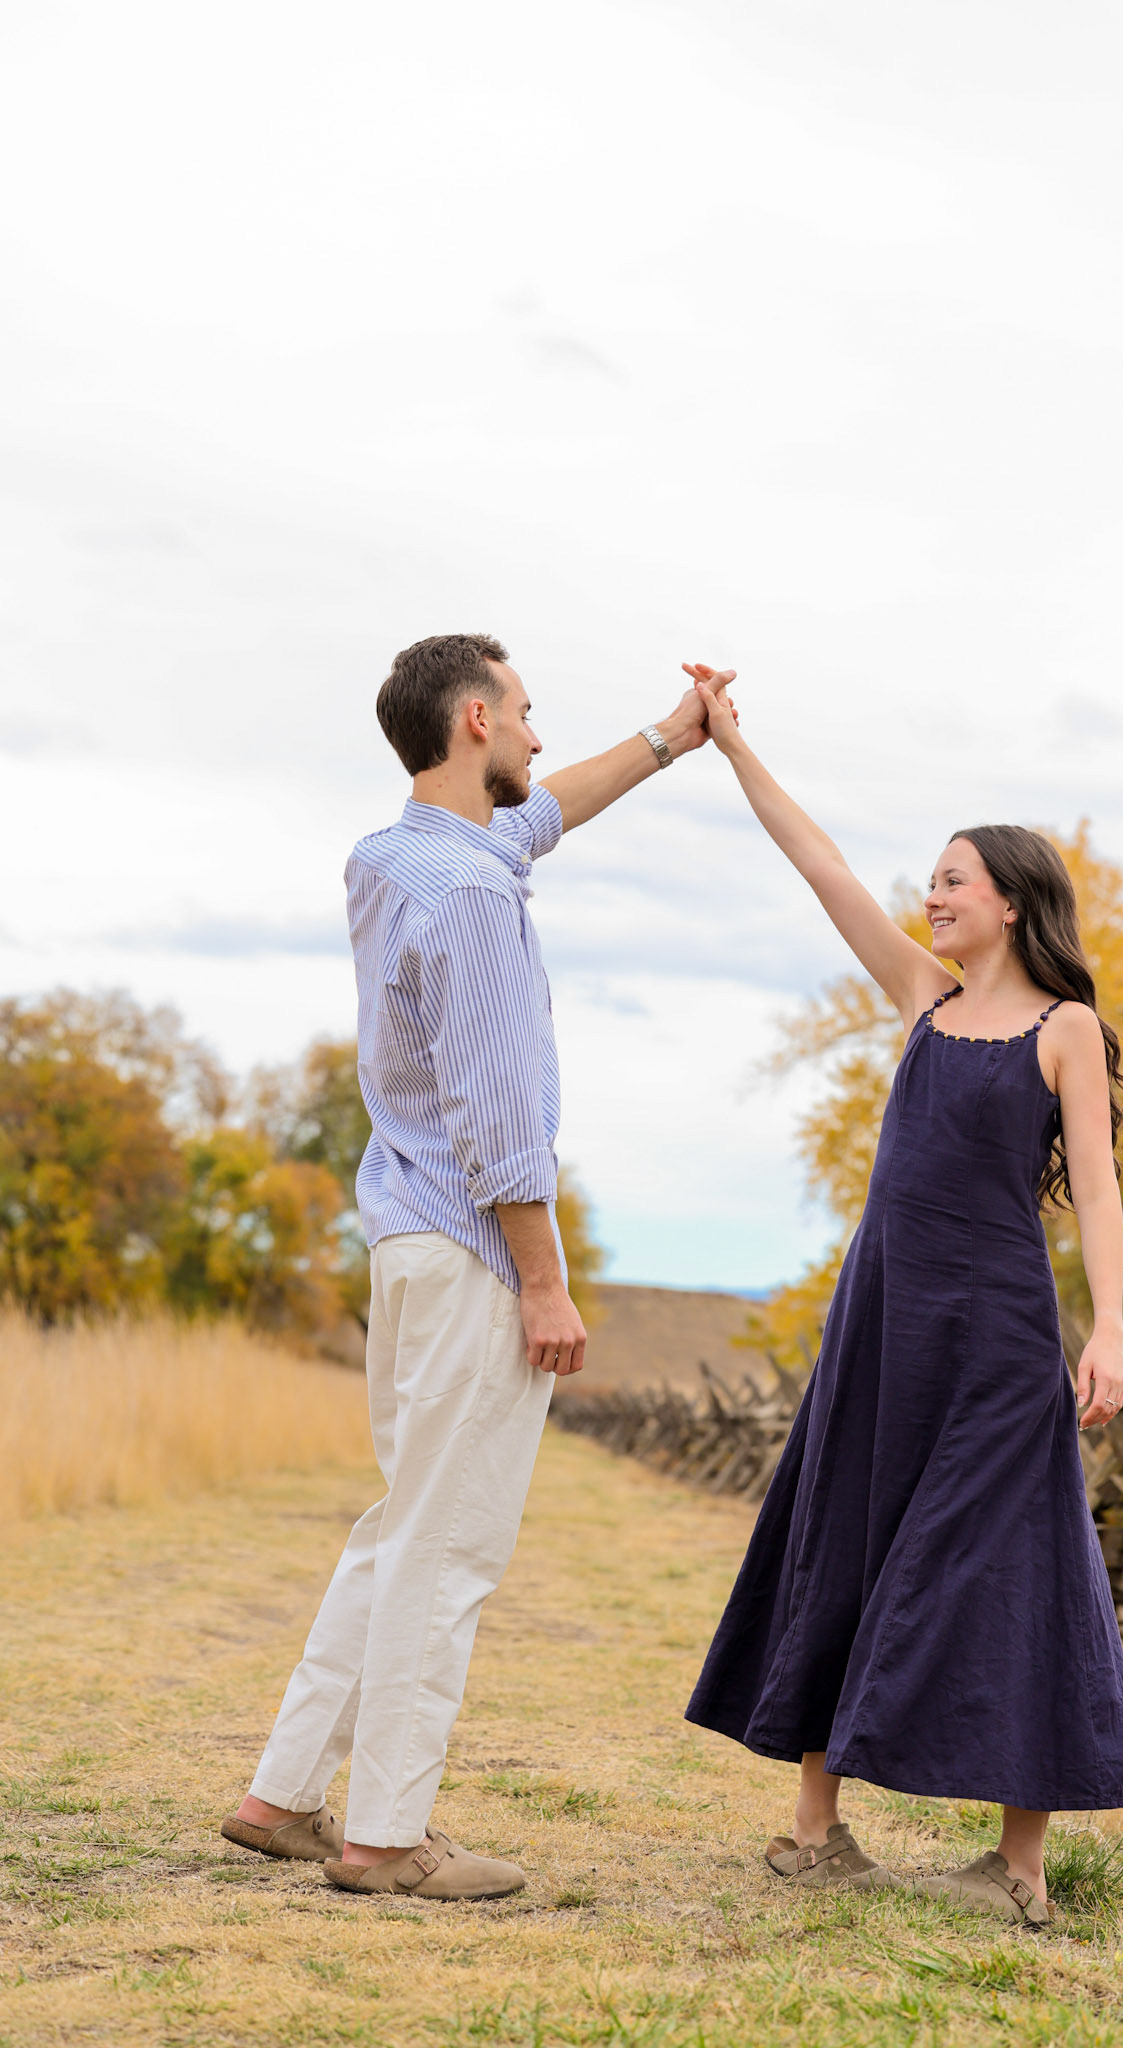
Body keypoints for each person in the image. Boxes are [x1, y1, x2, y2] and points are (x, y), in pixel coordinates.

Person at [221, 634, 734, 1902]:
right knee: (447, 1548)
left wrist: (671, 738)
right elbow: (502, 1121)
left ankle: (281, 1793)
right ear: (473, 720)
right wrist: (544, 1281)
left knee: (402, 1522)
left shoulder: (396, 857)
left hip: (406, 1238)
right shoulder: (474, 899)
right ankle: (387, 1836)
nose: (539, 738)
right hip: (470, 1249)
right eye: (524, 712)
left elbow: (544, 813)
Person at [682, 664, 1123, 1928]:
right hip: (884, 1318)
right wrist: (732, 746)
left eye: (952, 879)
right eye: (931, 879)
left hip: (999, 1337)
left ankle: (1019, 1867)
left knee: (1013, 1562)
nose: (930, 896)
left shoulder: (1066, 1028)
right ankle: (814, 1832)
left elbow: (1098, 1190)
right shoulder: (922, 998)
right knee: (847, 1530)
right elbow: (819, 863)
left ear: (1012, 900)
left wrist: (1108, 1327)